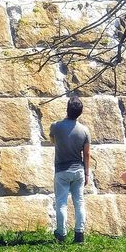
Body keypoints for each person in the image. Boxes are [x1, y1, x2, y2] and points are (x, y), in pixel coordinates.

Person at [50, 96, 90, 243]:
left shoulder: (55, 126)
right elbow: (87, 154)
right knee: (79, 201)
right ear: (80, 112)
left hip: (61, 170)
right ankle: (79, 234)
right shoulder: (84, 131)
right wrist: (86, 173)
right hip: (78, 170)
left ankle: (61, 233)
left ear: (67, 109)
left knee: (61, 202)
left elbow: (53, 140)